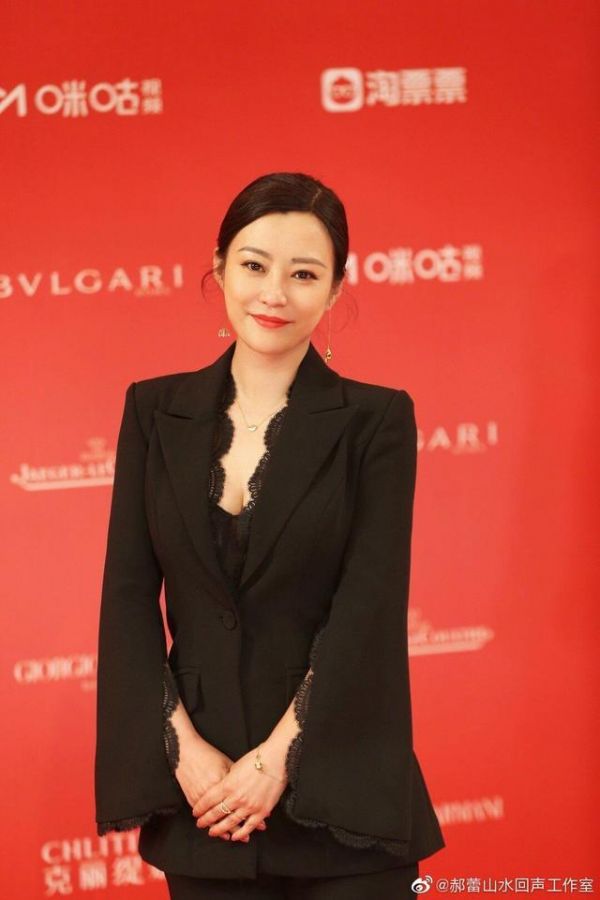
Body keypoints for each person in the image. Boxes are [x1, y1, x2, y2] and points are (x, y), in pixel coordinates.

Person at [94, 172, 445, 898]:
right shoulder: (154, 412)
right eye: (254, 265)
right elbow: (127, 599)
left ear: (336, 289)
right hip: (206, 801)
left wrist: (277, 760)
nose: (274, 294)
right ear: (220, 267)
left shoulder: (375, 421)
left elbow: (367, 609)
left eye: (304, 274)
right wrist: (181, 749)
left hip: (341, 796)